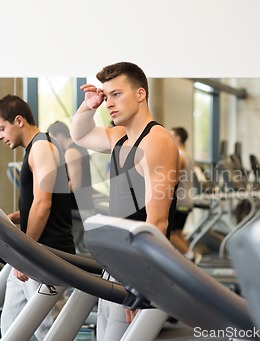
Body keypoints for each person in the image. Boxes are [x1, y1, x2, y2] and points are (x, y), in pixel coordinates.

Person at [70, 61, 179, 340]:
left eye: (116, 94)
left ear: (140, 94)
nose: (109, 103)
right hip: (115, 264)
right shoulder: (120, 137)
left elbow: (157, 221)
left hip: (135, 269)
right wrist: (90, 105)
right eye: (107, 97)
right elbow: (80, 134)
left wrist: (139, 285)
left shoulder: (156, 141)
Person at [0, 95, 75, 340]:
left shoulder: (41, 146)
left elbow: (43, 203)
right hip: (33, 254)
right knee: (12, 328)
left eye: (1, 128)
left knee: (50, 332)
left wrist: (23, 254)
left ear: (19, 120)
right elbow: (40, 201)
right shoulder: (35, 148)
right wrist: (17, 216)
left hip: (46, 254)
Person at [48, 120, 95, 253]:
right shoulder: (79, 148)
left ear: (60, 136)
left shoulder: (71, 152)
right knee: (83, 250)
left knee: (79, 252)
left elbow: (75, 184)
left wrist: (51, 194)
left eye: (53, 139)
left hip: (78, 209)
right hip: (84, 207)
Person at [170, 127, 196, 260]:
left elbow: (171, 177)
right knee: (178, 233)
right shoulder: (187, 154)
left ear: (178, 138)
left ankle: (190, 257)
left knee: (171, 233)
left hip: (180, 201)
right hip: (186, 200)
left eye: (171, 135)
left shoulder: (179, 155)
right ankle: (187, 259)